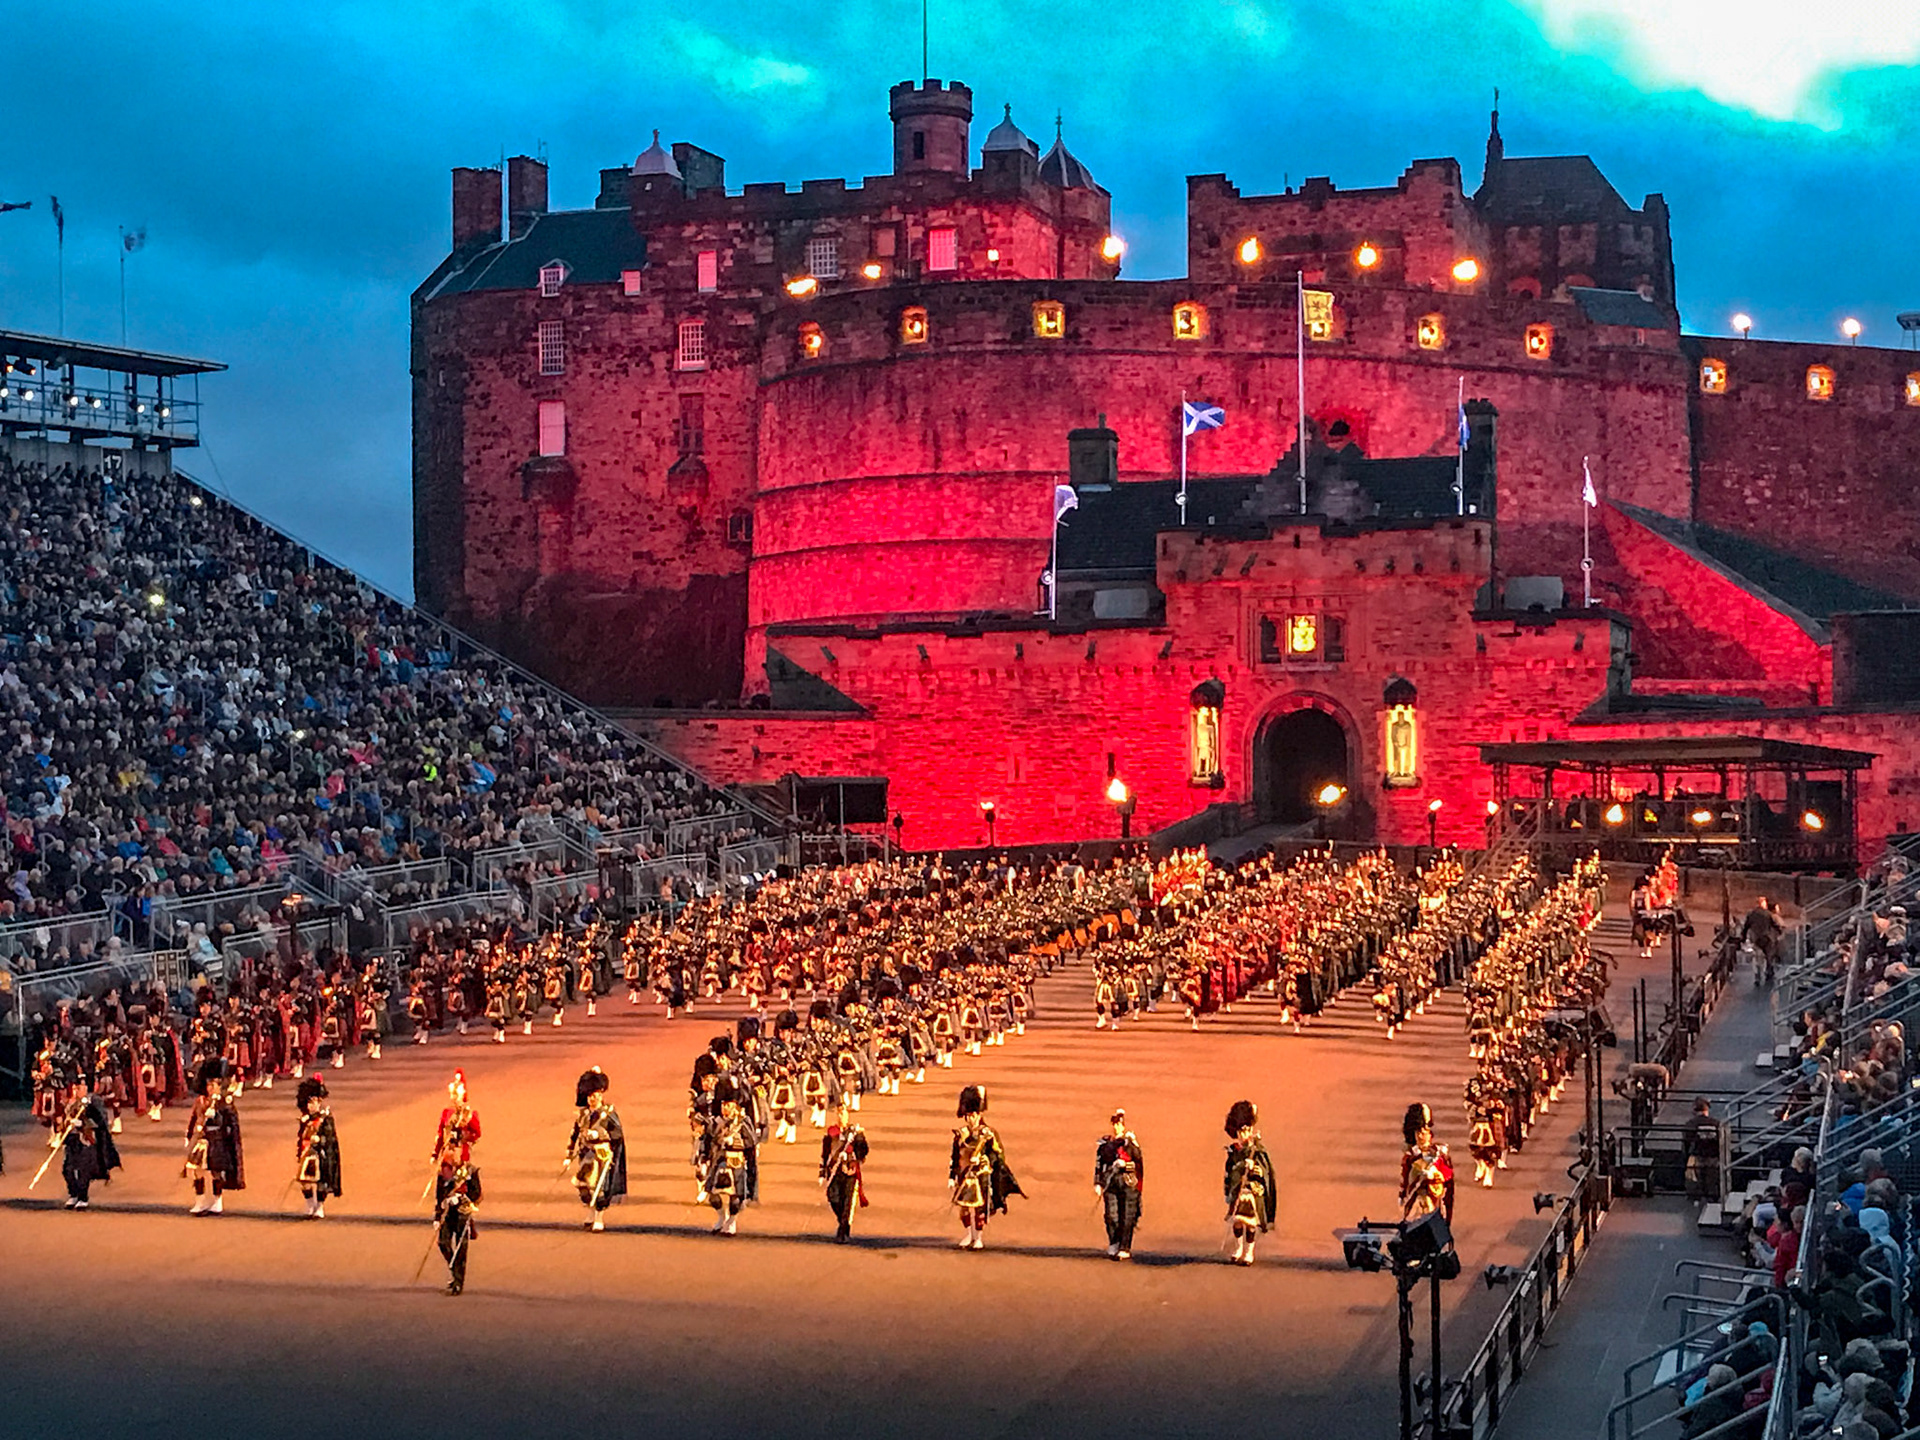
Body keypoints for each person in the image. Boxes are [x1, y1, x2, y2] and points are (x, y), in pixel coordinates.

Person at [950, 1084, 1022, 1250]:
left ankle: (979, 1238)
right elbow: (955, 1157)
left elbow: (998, 1154)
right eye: (967, 1116)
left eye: (972, 1115)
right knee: (964, 1209)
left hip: (982, 1174)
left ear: (979, 1114)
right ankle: (969, 1234)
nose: (970, 1119)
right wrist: (952, 1176)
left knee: (980, 1209)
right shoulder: (960, 1135)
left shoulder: (988, 1134)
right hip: (964, 1175)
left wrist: (984, 1159)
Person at [567, 1067, 627, 1232]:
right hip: (586, 1154)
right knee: (583, 1186)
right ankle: (591, 1214)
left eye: (598, 1095)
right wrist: (568, 1155)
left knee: (599, 1189)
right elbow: (574, 1134)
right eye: (592, 1095)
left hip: (602, 1155)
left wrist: (598, 1133)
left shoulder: (607, 1114)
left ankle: (599, 1218)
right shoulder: (583, 1115)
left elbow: (617, 1134)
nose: (595, 1098)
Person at [701, 1075, 760, 1235]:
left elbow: (751, 1141)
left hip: (737, 1161)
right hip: (719, 1160)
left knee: (735, 1197)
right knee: (713, 1195)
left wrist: (733, 1142)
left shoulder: (743, 1122)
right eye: (723, 1105)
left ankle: (732, 1221)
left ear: (735, 1106)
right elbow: (707, 1139)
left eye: (728, 1105)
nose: (725, 1108)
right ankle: (721, 1217)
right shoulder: (717, 1122)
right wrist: (704, 1158)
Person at [1223, 1099, 1276, 1266]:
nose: (1243, 1135)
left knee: (1251, 1224)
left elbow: (1265, 1172)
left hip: (1253, 1191)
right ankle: (1238, 1249)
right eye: (1240, 1131)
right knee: (1238, 1222)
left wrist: (1254, 1168)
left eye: (1245, 1131)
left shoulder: (1257, 1150)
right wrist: (1227, 1190)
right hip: (1238, 1190)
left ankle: (1249, 1251)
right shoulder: (1234, 1151)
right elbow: (1228, 1172)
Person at [1094, 1108, 1145, 1260]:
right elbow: (1099, 1164)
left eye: (1119, 1124)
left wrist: (1124, 1165)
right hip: (1110, 1183)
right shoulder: (1105, 1144)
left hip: (1129, 1183)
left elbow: (1138, 1164)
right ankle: (1114, 1242)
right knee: (1111, 1216)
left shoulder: (1130, 1143)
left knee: (1127, 1216)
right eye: (1115, 1124)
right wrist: (1097, 1182)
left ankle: (1124, 1246)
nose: (1117, 1128)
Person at [57, 1089, 121, 1209]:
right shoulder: (70, 1103)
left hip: (86, 1140)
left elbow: (101, 1122)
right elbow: (63, 1119)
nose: (77, 1090)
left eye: (80, 1087)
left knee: (84, 1170)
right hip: (72, 1140)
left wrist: (83, 1124)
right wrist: (64, 1124)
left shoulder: (93, 1102)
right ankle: (73, 1194)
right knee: (68, 1169)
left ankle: (83, 1197)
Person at [819, 1101, 869, 1242]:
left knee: (847, 1202)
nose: (841, 1116)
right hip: (835, 1171)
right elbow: (825, 1153)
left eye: (844, 1113)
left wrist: (859, 1140)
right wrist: (822, 1172)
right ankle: (843, 1221)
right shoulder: (831, 1133)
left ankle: (842, 1231)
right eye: (839, 1113)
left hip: (850, 1171)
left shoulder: (854, 1133)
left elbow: (863, 1152)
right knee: (833, 1197)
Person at [295, 1075, 342, 1218]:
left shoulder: (325, 1118)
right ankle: (310, 1204)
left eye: (313, 1102)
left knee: (322, 1182)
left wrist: (319, 1139)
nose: (311, 1106)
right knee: (305, 1181)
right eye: (308, 1102)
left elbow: (329, 1136)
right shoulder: (305, 1118)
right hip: (307, 1153)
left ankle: (320, 1206)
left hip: (322, 1154)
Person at [1399, 1102, 1455, 1223]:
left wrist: (1435, 1175)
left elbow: (1447, 1175)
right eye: (1418, 1133)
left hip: (1434, 1199)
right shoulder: (1410, 1157)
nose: (1421, 1136)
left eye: (1425, 1133)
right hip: (1417, 1200)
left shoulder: (1438, 1154)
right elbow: (1406, 1179)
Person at [432, 1070, 482, 1206]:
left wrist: (465, 1137)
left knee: (460, 1180)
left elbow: (477, 1134)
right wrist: (436, 1153)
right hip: (447, 1154)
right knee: (443, 1182)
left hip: (461, 1155)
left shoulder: (469, 1114)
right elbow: (441, 1133)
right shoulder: (446, 1113)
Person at [435, 1161, 481, 1296]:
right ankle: (455, 1271)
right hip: (447, 1215)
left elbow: (477, 1194)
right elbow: (439, 1197)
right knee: (443, 1243)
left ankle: (458, 1282)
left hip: (462, 1215)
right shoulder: (441, 1175)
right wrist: (437, 1217)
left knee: (461, 1250)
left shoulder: (470, 1172)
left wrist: (460, 1198)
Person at [1682, 1098, 1720, 1202]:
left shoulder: (1690, 1124)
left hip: (1697, 1157)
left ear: (1694, 1110)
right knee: (1712, 1181)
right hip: (1713, 1158)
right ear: (1707, 1110)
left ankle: (1696, 1199)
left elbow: (1686, 1143)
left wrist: (1685, 1159)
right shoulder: (1716, 1123)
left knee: (1695, 1181)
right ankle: (1713, 1199)